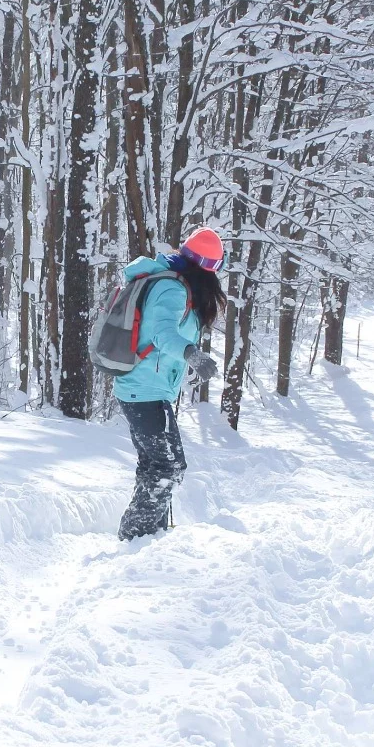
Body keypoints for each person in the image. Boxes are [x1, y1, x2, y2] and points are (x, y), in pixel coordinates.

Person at [114, 227, 228, 541]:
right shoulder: (172, 289)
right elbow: (163, 335)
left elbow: (158, 336)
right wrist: (192, 354)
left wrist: (183, 368)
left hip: (146, 386)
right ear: (208, 271)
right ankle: (135, 535)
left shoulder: (173, 285)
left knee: (161, 464)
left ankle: (150, 534)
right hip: (143, 388)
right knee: (166, 466)